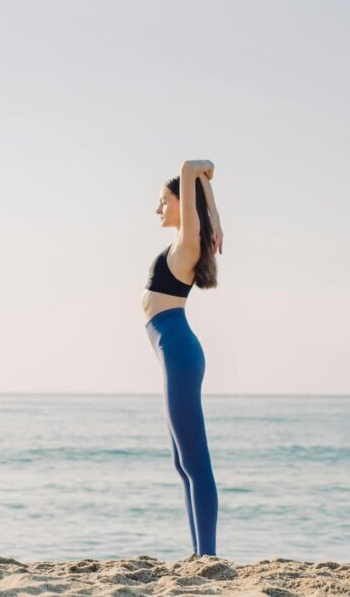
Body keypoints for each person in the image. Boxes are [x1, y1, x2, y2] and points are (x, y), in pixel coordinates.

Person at [142, 159, 223, 557]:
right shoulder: (184, 242)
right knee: (182, 463)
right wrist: (212, 205)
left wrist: (202, 179)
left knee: (196, 464)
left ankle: (207, 556)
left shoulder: (188, 242)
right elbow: (197, 179)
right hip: (171, 352)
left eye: (162, 202)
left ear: (181, 203)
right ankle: (197, 554)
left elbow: (192, 166)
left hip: (178, 353)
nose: (158, 209)